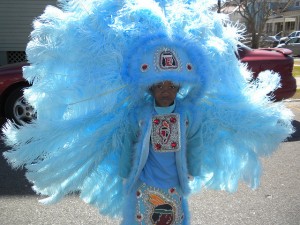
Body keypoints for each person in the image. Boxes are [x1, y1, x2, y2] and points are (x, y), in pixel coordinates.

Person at [3, 1, 294, 225]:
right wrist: (125, 173)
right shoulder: (139, 115)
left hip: (173, 184)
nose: (166, 90)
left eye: (171, 85)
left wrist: (191, 169)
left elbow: (193, 144)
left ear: (179, 86)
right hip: (144, 184)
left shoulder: (188, 115)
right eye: (159, 85)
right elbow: (130, 144)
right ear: (150, 87)